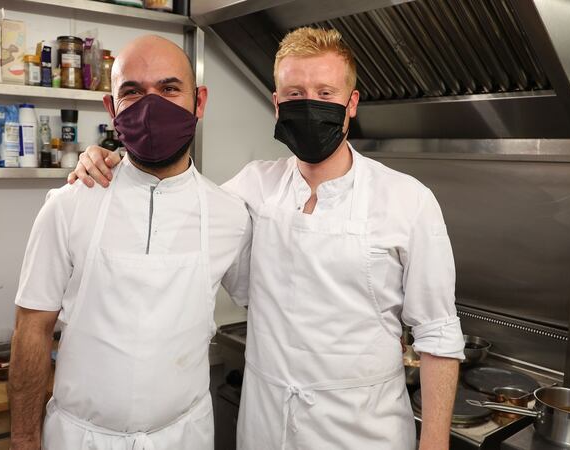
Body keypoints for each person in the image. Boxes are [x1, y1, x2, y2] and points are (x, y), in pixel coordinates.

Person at [70, 27, 464, 450]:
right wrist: (106, 159)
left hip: (365, 429)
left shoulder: (408, 199)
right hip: (265, 423)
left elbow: (438, 334)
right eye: (294, 94)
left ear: (351, 104)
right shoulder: (252, 186)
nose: (309, 104)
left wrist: (435, 443)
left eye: (325, 93)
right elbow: (175, 195)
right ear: (277, 105)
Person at [9, 35, 251, 450]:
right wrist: (23, 438)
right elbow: (32, 329)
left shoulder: (230, 214)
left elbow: (268, 306)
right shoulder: (67, 206)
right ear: (112, 108)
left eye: (170, 88)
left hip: (184, 436)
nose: (150, 105)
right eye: (133, 92)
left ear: (200, 102)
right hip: (80, 437)